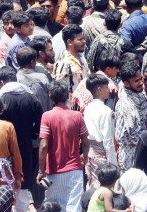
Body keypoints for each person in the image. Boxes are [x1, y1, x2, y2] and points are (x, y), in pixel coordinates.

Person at [38, 80, 89, 212]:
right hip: (75, 169)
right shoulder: (77, 116)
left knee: (53, 207)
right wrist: (85, 156)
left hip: (54, 171)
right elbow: (85, 140)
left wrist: (41, 171)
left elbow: (43, 146)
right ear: (67, 96)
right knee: (74, 207)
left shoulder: (47, 116)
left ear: (50, 97)